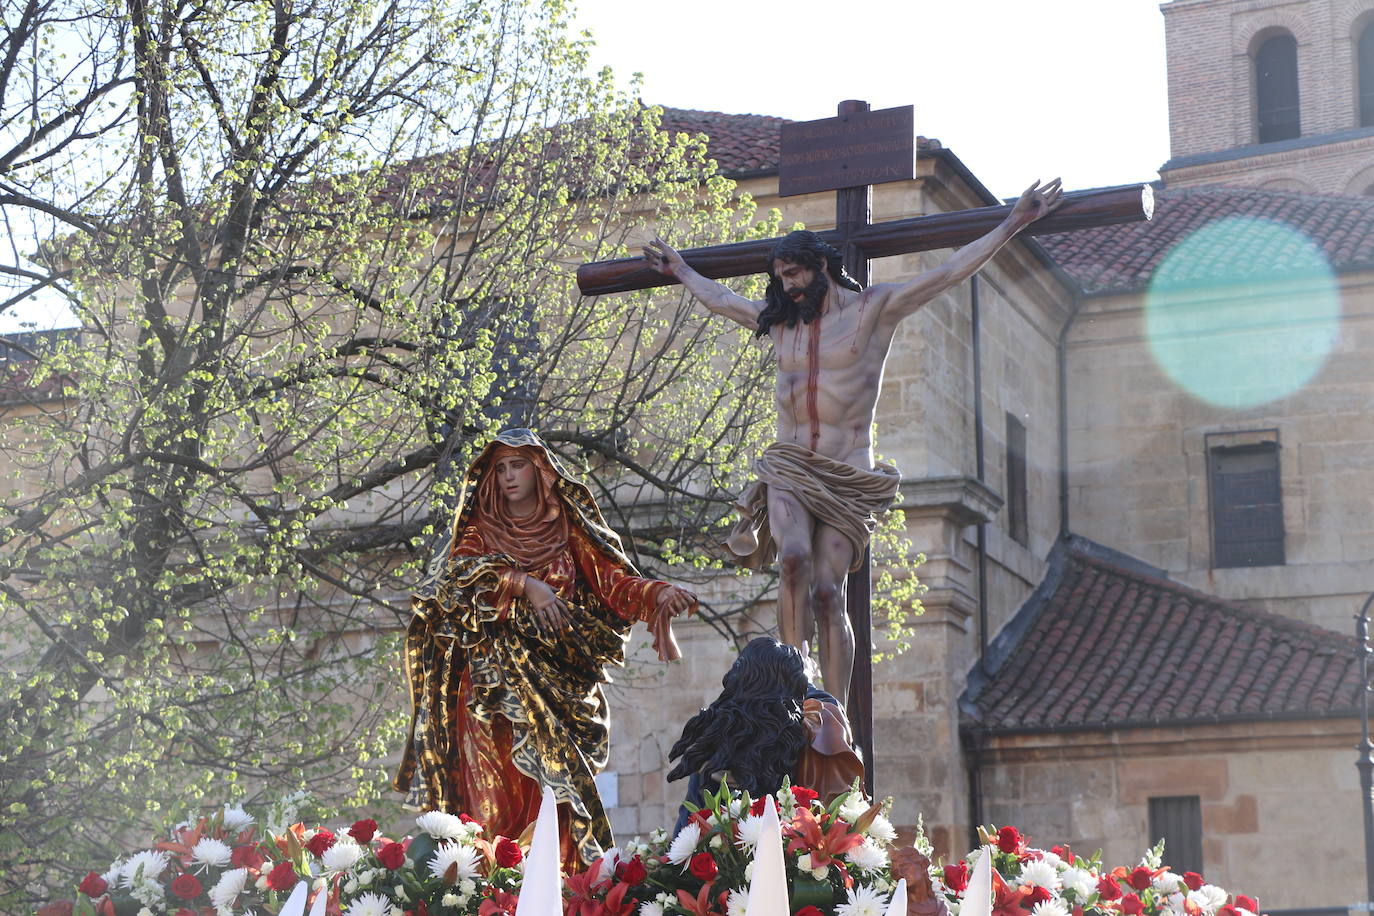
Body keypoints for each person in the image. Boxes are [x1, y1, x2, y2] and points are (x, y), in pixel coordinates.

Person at [642, 180, 1064, 704]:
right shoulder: (780, 325)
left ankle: (831, 714)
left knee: (826, 592)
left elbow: (949, 272)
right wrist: (681, 270)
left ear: (820, 266)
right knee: (791, 559)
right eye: (780, 277)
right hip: (790, 467)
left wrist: (1013, 222)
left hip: (848, 476)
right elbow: (722, 300)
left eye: (794, 273)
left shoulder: (874, 310)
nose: (788, 285)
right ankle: (792, 694)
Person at [392, 428, 696, 870]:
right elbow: (455, 580)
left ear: (539, 471)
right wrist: (524, 584)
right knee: (493, 797)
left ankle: (551, 887)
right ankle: (491, 885)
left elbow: (615, 584)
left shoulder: (569, 530)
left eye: (517, 465)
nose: (509, 477)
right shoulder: (480, 531)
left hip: (561, 684)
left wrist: (658, 594)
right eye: (500, 468)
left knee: (553, 796)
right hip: (490, 690)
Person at [666, 636, 862, 831]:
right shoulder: (801, 732)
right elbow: (830, 711)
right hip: (793, 853)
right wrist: (807, 680)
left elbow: (687, 824)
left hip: (724, 856)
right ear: (793, 686)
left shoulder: (716, 738)